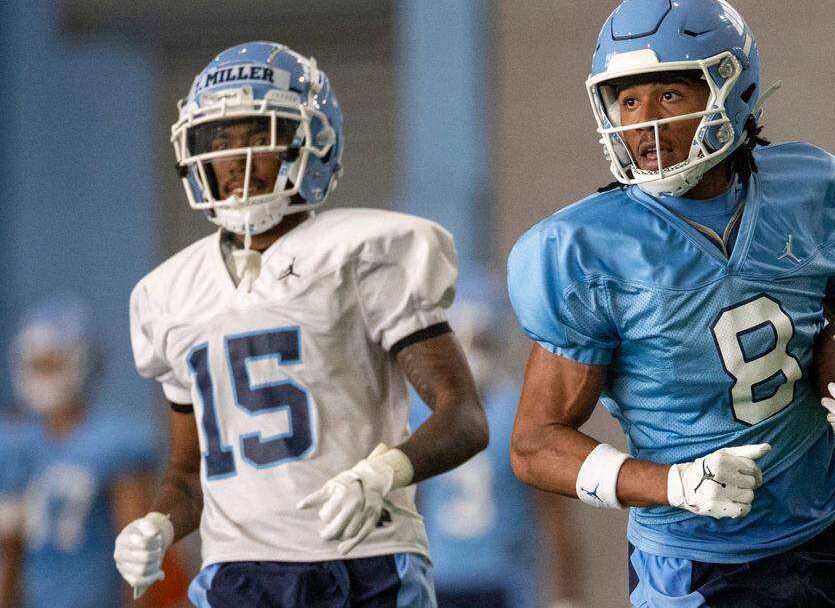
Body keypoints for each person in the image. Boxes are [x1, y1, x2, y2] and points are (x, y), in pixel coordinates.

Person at [507, 0, 835, 607]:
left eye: (668, 93)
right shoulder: (583, 247)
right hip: (692, 561)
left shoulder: (807, 188)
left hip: (824, 537)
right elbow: (535, 444)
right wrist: (673, 483)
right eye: (627, 99)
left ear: (731, 88)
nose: (645, 122)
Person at [113, 41, 489, 608]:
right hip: (237, 575)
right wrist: (159, 525)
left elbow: (462, 416)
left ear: (308, 145)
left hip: (364, 562)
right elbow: (189, 475)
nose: (237, 161)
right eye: (220, 143)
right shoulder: (168, 294)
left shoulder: (361, 253)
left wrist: (385, 473)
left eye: (257, 136)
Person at [409, 270, 582, 608]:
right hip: (439, 577)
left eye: (482, 340)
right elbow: (408, 502)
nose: (473, 353)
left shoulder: (522, 408)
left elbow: (553, 509)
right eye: (463, 340)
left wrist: (567, 595)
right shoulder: (419, 410)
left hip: (504, 579)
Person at [0, 296, 159, 608]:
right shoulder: (16, 442)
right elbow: (9, 554)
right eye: (36, 363)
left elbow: (139, 559)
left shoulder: (116, 442)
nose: (42, 375)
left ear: (82, 361)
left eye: (53, 363)